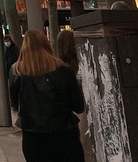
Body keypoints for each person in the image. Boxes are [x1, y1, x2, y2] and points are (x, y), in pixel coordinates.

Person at [10, 30, 85, 162]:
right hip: (64, 133)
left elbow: (15, 104)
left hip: (32, 136)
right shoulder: (63, 69)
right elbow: (78, 106)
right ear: (47, 44)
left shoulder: (17, 71)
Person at [56, 30, 92, 161]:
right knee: (86, 144)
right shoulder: (83, 60)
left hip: (70, 112)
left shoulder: (58, 66)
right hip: (84, 105)